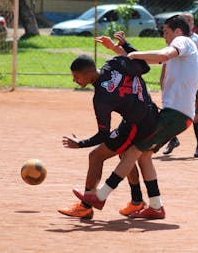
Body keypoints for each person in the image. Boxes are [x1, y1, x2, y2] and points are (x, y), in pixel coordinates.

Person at [74, 15, 198, 219]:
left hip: (175, 115)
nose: (164, 36)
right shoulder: (184, 51)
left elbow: (162, 55)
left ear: (177, 31)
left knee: (133, 152)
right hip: (175, 114)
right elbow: (142, 63)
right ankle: (156, 206)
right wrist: (120, 50)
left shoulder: (182, 41)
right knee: (144, 156)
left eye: (166, 31)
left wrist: (133, 54)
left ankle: (101, 195)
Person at [57, 50, 160, 219]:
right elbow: (144, 66)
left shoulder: (101, 98)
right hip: (148, 113)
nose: (74, 80)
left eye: (76, 76)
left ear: (88, 73)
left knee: (96, 156)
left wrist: (80, 143)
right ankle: (137, 202)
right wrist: (125, 46)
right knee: (124, 153)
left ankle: (86, 206)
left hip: (138, 124)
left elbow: (103, 135)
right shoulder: (115, 64)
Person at [163, 12, 198, 157]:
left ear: (193, 23)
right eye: (185, 20)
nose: (188, 22)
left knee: (195, 116)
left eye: (190, 20)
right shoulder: (174, 38)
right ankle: (173, 140)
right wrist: (163, 79)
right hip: (174, 84)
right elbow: (167, 60)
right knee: (169, 111)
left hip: (189, 85)